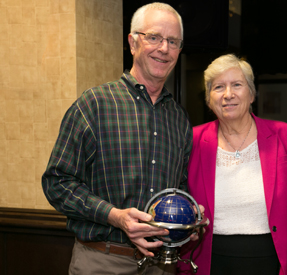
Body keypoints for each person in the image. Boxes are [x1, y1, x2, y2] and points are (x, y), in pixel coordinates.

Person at [42, 3, 195, 274]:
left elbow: (178, 187)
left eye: (173, 41)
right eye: (154, 37)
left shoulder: (180, 119)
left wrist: (189, 219)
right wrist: (115, 216)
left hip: (161, 265)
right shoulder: (94, 105)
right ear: (132, 42)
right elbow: (57, 183)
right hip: (103, 260)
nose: (164, 48)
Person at [177, 54, 287, 275]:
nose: (228, 94)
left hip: (271, 262)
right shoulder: (192, 140)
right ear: (208, 98)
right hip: (210, 263)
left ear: (251, 94)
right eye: (218, 87)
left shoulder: (283, 135)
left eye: (236, 85)